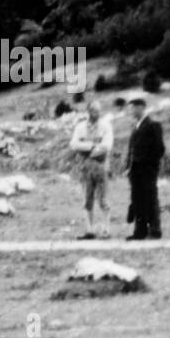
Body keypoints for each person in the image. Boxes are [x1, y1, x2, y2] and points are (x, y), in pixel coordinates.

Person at [69, 99, 113, 238]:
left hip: (100, 167)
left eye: (99, 110)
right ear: (88, 111)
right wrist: (92, 146)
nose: (97, 113)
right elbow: (74, 144)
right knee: (87, 199)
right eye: (94, 110)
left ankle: (106, 229)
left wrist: (87, 148)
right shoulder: (80, 127)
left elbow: (107, 146)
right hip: (85, 168)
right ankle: (89, 230)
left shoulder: (105, 126)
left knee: (103, 199)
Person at [125, 92, 165, 240]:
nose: (130, 111)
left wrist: (149, 166)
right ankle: (140, 231)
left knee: (150, 198)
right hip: (135, 171)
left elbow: (159, 148)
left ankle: (155, 229)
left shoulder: (153, 125)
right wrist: (128, 167)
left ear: (141, 108)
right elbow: (131, 149)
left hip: (147, 170)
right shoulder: (135, 127)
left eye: (133, 107)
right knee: (137, 200)